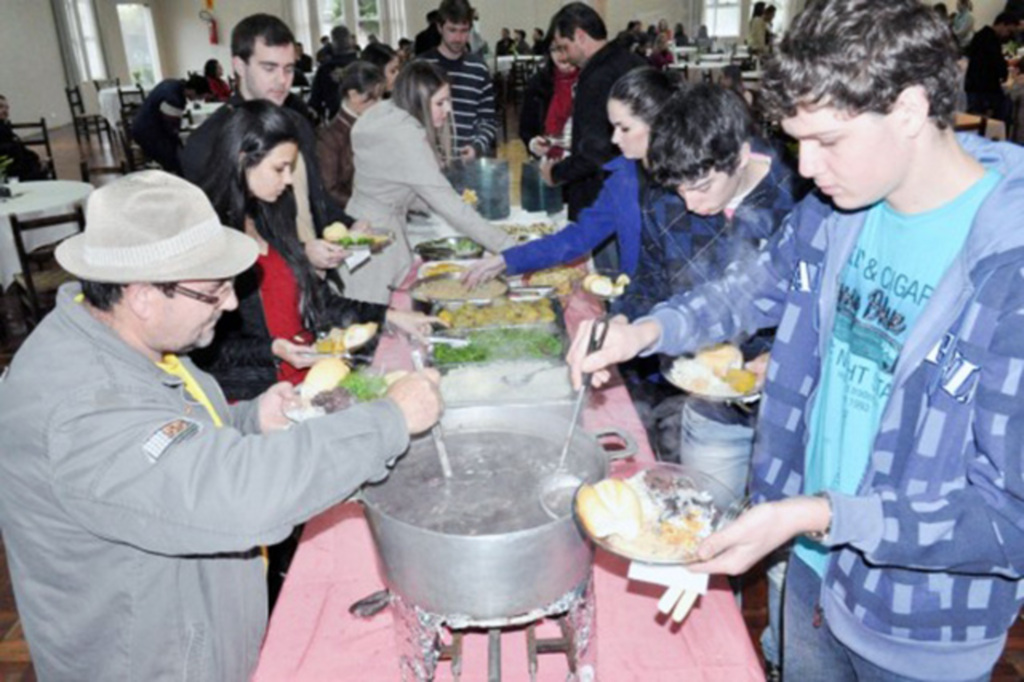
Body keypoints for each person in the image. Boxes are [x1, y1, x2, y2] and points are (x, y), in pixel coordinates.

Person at [569, 0, 1024, 679]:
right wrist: (644, 329)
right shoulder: (837, 212)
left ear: (908, 108)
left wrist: (822, 512)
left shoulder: (1007, 267)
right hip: (810, 568)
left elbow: (1005, 517)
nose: (805, 167)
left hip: (917, 623)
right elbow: (751, 288)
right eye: (795, 140)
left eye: (828, 140)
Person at [0, 170, 443, 681]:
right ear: (142, 295)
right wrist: (387, 421)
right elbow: (231, 493)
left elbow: (172, 441)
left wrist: (250, 420)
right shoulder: (82, 408)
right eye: (213, 291)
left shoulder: (129, 338)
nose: (231, 303)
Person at [194, 100, 430, 398]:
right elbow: (204, 348)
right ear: (243, 160)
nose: (289, 180)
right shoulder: (209, 239)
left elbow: (320, 303)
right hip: (260, 398)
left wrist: (391, 316)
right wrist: (273, 349)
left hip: (310, 381)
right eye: (280, 168)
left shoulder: (269, 216)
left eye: (290, 169)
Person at [182, 14, 362, 275]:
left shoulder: (298, 124)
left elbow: (315, 196)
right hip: (262, 290)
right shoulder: (207, 143)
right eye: (269, 68)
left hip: (315, 278)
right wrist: (301, 251)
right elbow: (222, 239)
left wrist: (348, 226)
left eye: (288, 69)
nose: (282, 80)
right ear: (239, 66)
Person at [342, 61, 514, 304]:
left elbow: (402, 185)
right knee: (377, 313)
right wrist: (512, 249)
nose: (449, 109)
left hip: (368, 226)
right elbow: (449, 207)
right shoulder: (405, 136)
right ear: (418, 101)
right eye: (440, 103)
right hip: (378, 241)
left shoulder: (387, 114)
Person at [542, 2, 646, 267]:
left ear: (580, 36)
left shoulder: (595, 76)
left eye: (564, 46)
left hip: (604, 194)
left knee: (610, 281)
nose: (564, 57)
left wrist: (556, 173)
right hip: (643, 189)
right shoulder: (632, 60)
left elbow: (595, 151)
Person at [419, 0, 497, 160]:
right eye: (452, 30)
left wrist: (477, 146)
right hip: (428, 160)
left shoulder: (479, 69)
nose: (458, 38)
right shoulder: (421, 67)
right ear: (440, 28)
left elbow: (488, 120)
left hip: (467, 161)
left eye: (464, 30)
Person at [317, 62, 387, 208]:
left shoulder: (371, 124)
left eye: (381, 97)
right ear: (354, 95)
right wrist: (367, 205)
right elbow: (329, 190)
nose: (380, 104)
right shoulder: (329, 138)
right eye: (374, 98)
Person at [131, 73, 210, 175]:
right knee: (177, 159)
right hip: (148, 133)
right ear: (193, 91)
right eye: (199, 97)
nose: (197, 100)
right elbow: (171, 128)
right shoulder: (174, 99)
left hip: (141, 126)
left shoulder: (172, 83)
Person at [518, 37, 578, 158]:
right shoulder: (539, 82)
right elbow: (526, 128)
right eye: (555, 49)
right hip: (547, 161)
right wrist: (533, 144)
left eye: (566, 48)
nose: (560, 55)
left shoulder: (592, 81)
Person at [965, 12, 1018, 122]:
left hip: (973, 87)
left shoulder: (979, 35)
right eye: (1009, 31)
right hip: (985, 91)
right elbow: (998, 66)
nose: (1008, 35)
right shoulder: (991, 40)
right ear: (1002, 24)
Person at [309, 24, 360, 121]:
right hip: (364, 118)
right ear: (351, 41)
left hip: (336, 119)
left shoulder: (325, 70)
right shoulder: (363, 65)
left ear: (332, 43)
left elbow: (315, 102)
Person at [0, 94, 47, 180]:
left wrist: (36, 158)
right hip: (10, 171)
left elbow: (20, 147)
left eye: (7, 108)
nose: (5, 110)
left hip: (18, 165)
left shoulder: (5, 127)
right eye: (1, 107)